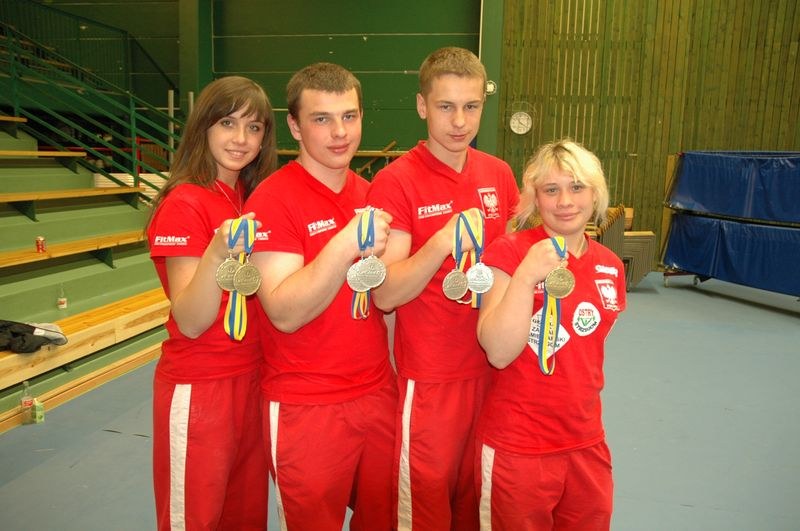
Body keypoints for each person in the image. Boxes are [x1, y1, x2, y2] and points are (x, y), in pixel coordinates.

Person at [366, 47, 520, 530]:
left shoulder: (498, 175)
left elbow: (513, 267)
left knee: (480, 504)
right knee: (425, 509)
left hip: (497, 370)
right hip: (430, 379)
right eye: (445, 106)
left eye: (471, 106)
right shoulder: (396, 181)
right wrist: (438, 244)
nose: (459, 121)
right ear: (421, 106)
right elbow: (386, 293)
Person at [244, 62, 397, 530]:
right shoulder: (272, 200)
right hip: (305, 405)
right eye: (322, 119)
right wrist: (344, 243)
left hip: (377, 393)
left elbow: (383, 302)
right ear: (294, 125)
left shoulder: (371, 194)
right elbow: (285, 312)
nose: (339, 133)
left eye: (349, 116)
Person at [475, 138, 627, 530]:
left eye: (577, 187)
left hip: (586, 441)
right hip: (519, 445)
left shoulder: (610, 266)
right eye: (551, 190)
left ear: (595, 195)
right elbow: (498, 351)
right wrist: (527, 275)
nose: (565, 201)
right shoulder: (508, 252)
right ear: (535, 199)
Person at [146, 75, 277, 530]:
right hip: (202, 384)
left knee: (243, 518)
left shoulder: (248, 198)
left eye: (254, 127)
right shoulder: (185, 203)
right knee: (195, 519)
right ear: (204, 126)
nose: (241, 139)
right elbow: (191, 318)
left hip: (253, 379)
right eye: (228, 123)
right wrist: (217, 253)